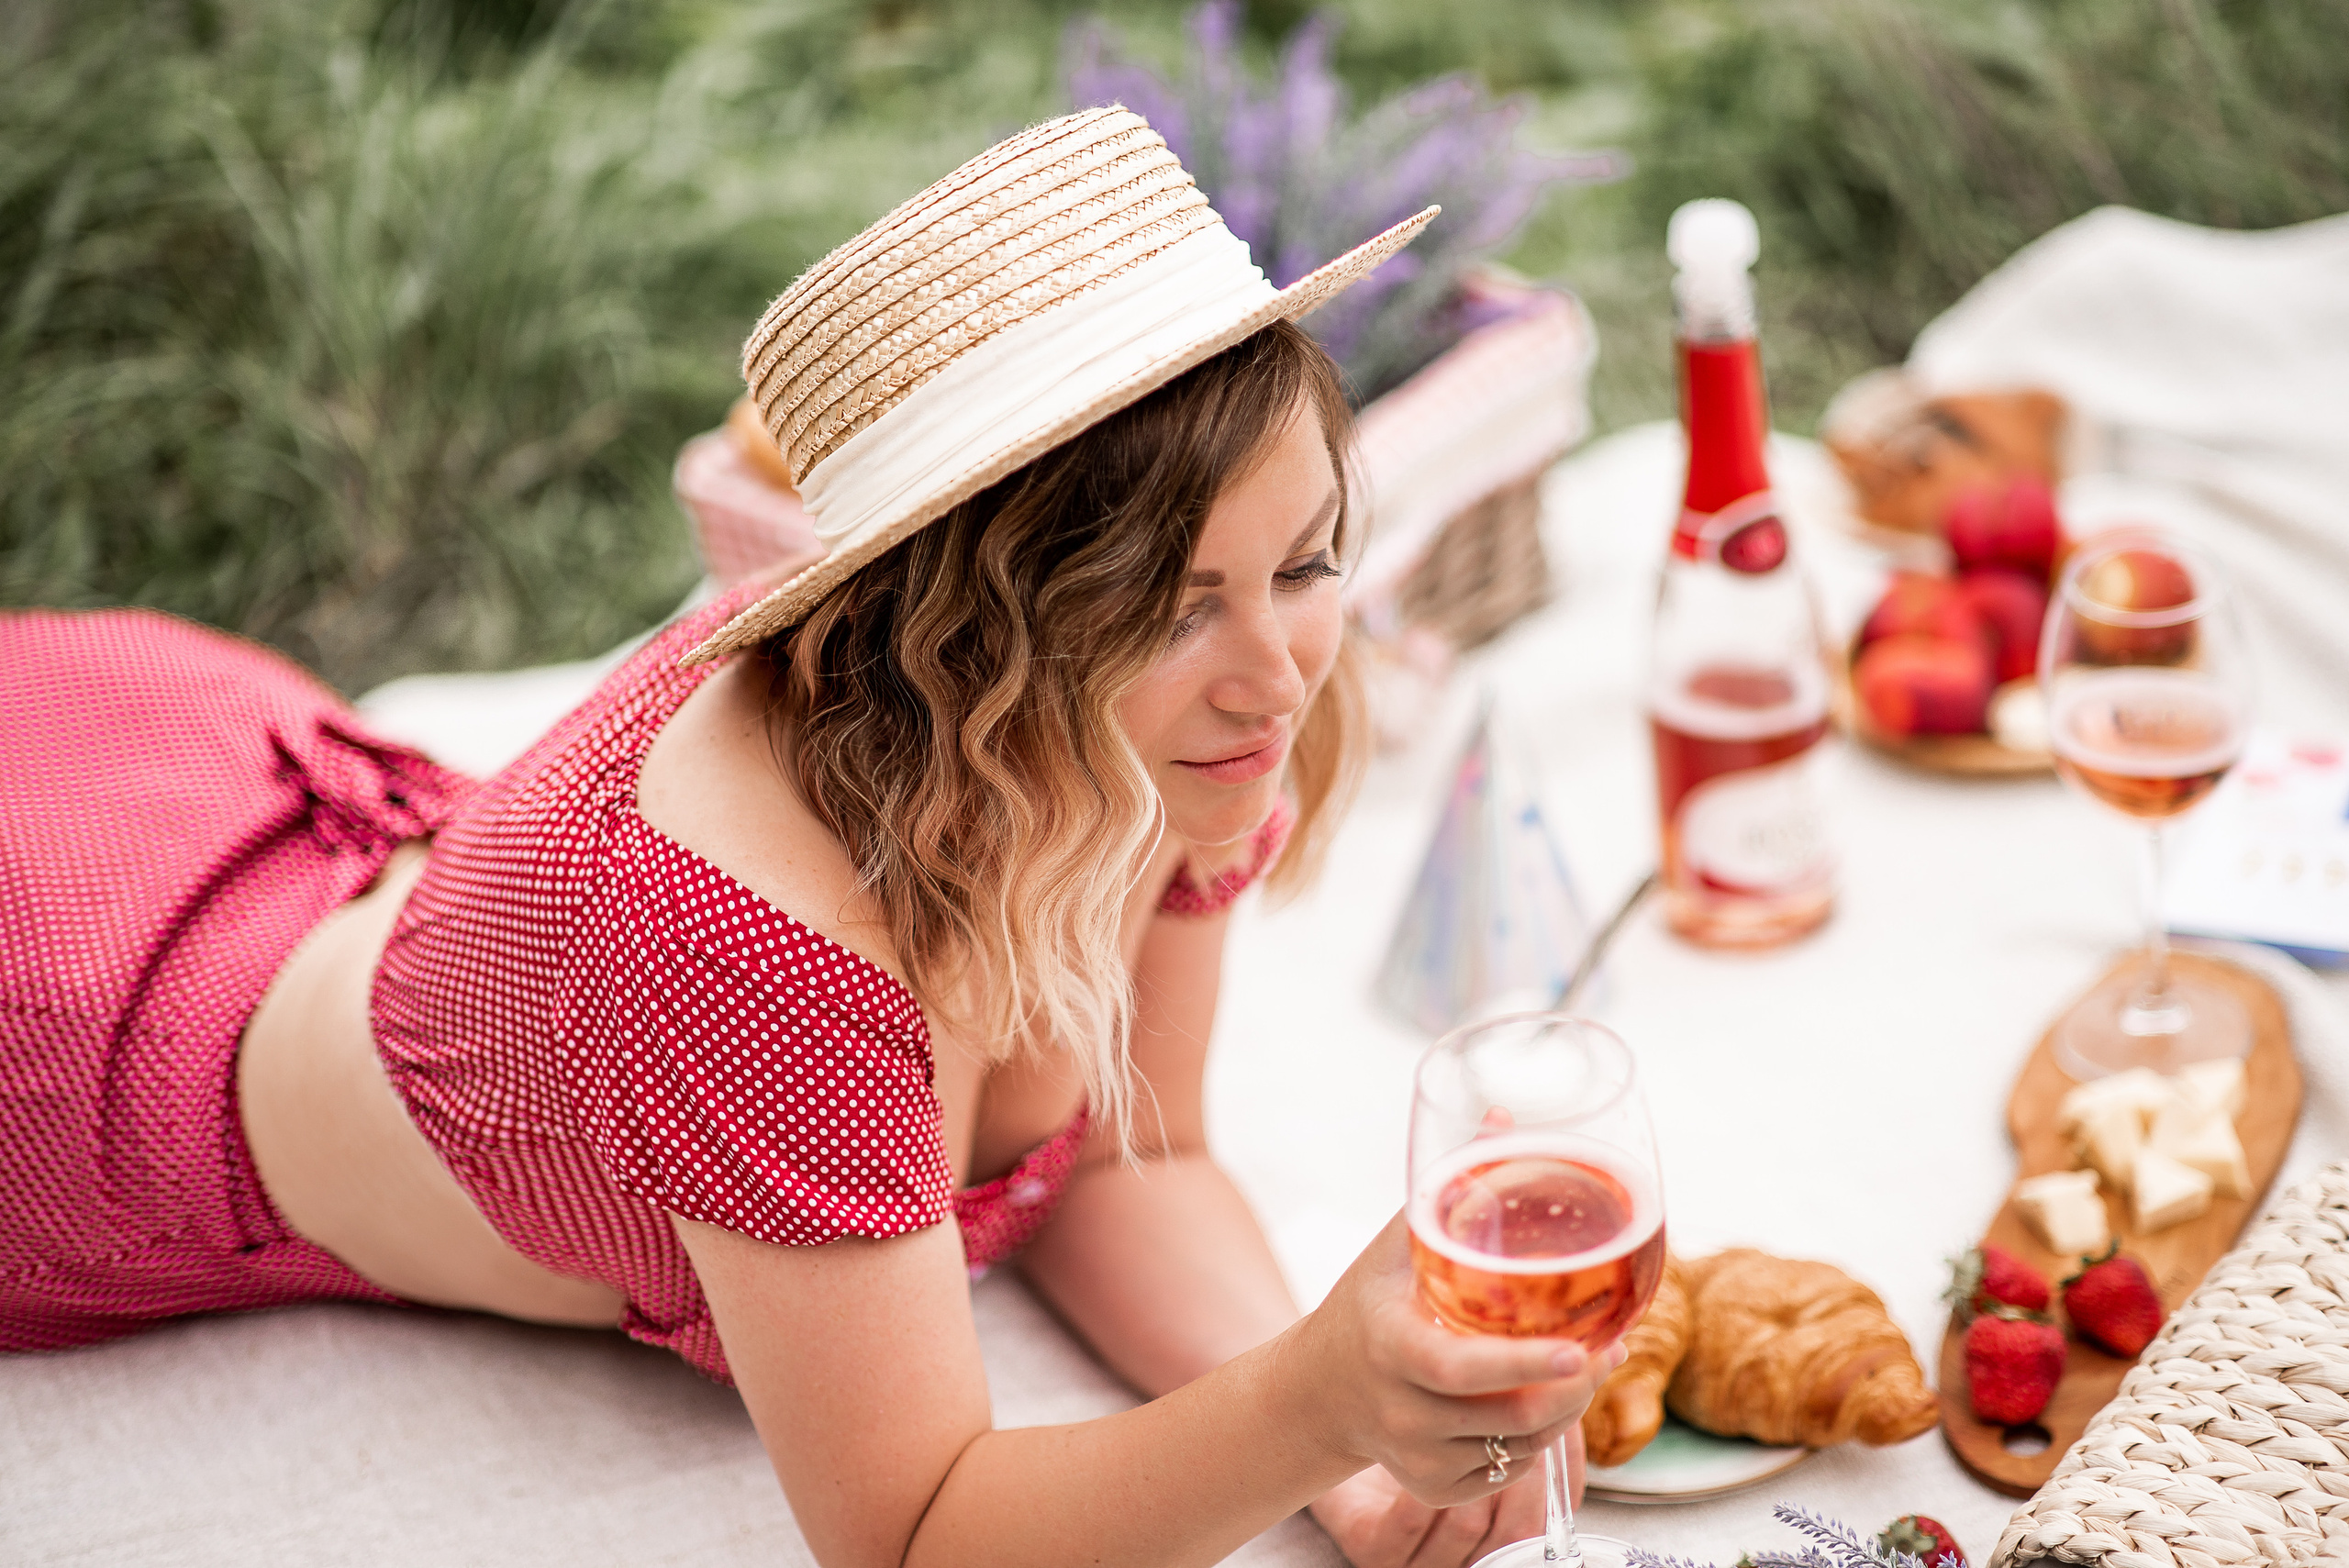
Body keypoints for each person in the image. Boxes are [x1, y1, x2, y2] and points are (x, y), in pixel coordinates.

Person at [0, 108, 1614, 1568]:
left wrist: (1344, 1470)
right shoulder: (758, 946)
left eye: (1309, 562)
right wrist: (1305, 1408)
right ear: (970, 635)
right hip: (93, 1046)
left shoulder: (1160, 738)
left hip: (294, 855)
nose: (1279, 672)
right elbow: (914, 1535)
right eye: (1175, 607)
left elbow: (1134, 1153)